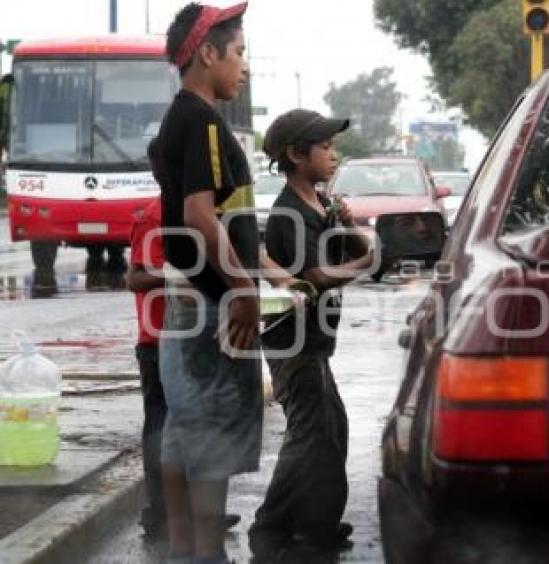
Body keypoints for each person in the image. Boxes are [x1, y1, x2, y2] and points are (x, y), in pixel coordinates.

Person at [248, 109, 379, 560]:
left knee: (331, 428)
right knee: (310, 434)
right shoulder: (289, 213)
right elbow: (314, 275)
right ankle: (273, 526)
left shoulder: (320, 206)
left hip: (314, 341)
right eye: (325, 148)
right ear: (296, 155)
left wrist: (346, 222)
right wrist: (364, 266)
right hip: (293, 342)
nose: (333, 154)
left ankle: (316, 523)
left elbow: (360, 249)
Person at [156, 3, 260, 563]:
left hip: (190, 301)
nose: (243, 66)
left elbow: (221, 218)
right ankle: (206, 556)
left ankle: (183, 551)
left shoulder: (181, 119)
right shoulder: (201, 122)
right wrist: (244, 289)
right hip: (211, 308)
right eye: (238, 51)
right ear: (207, 53)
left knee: (184, 429)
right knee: (211, 431)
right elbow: (200, 215)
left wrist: (265, 272)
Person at [127, 137, 242, 540]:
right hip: (158, 342)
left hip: (198, 339)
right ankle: (160, 513)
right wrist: (177, 276)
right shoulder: (154, 215)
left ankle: (200, 509)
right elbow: (135, 277)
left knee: (199, 426)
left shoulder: (203, 215)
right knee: (162, 429)